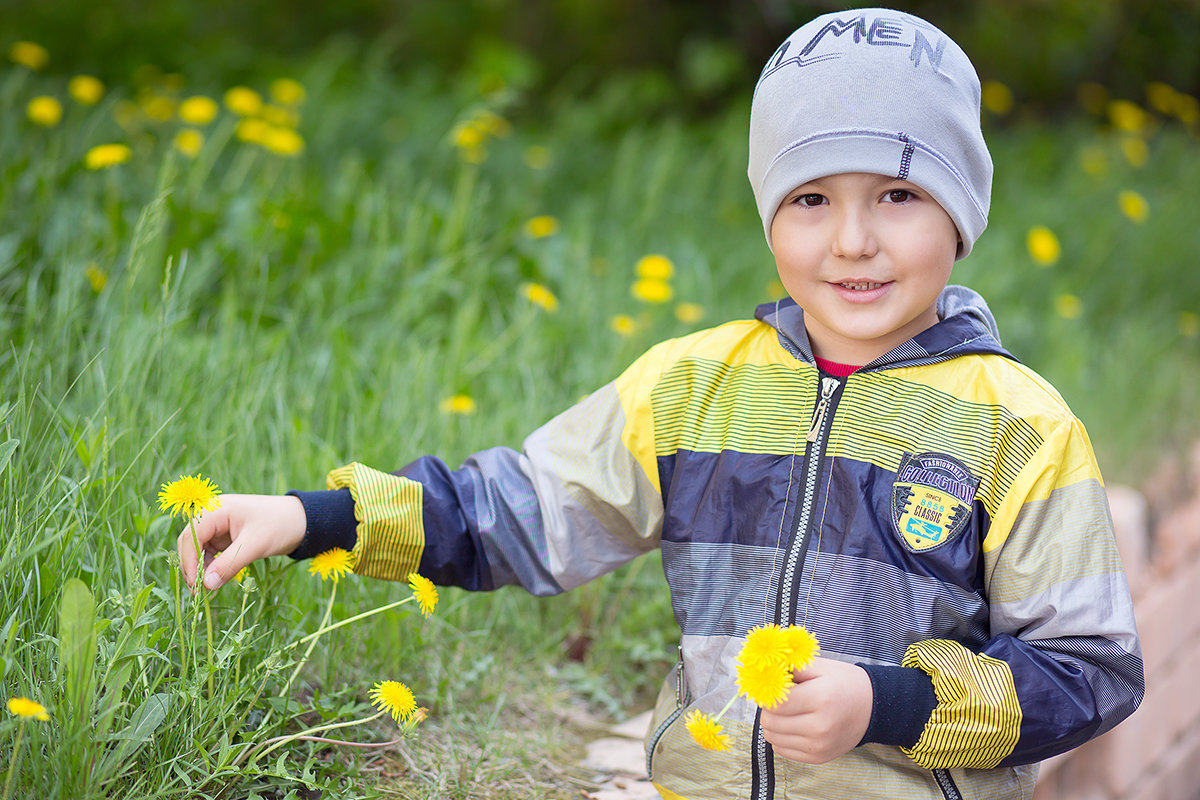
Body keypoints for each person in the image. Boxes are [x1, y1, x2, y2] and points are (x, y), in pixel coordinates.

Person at [178, 8, 1143, 799]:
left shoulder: (1019, 426)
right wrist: (315, 516)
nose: (852, 241)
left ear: (960, 211)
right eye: (810, 199)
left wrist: (888, 705)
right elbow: (519, 510)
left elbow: (1090, 671)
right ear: (770, 213)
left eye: (896, 194)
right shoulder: (690, 388)